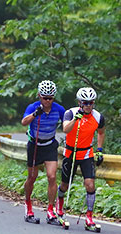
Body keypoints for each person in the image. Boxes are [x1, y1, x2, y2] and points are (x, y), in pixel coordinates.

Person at [55, 87, 105, 229]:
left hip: (86, 154)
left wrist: (99, 150)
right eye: (85, 103)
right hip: (71, 153)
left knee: (90, 185)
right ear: (79, 102)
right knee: (65, 185)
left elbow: (101, 133)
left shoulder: (98, 117)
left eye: (91, 103)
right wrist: (75, 120)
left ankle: (89, 218)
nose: (88, 106)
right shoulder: (70, 113)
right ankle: (59, 208)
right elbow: (65, 129)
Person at [21, 80, 65, 224]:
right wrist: (35, 114)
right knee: (32, 177)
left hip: (50, 145)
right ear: (39, 95)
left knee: (52, 177)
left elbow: (67, 124)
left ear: (54, 97)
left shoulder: (58, 109)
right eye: (44, 97)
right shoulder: (33, 107)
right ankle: (28, 206)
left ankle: (50, 211)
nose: (47, 101)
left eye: (50, 98)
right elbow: (24, 122)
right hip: (35, 146)